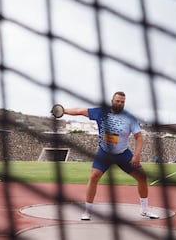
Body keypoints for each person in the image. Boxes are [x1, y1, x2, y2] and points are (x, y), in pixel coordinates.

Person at [60, 91, 159, 220]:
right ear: (112, 101)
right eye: (117, 101)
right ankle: (87, 211)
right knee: (94, 176)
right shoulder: (101, 112)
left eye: (122, 102)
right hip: (104, 153)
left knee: (142, 177)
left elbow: (139, 137)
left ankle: (144, 210)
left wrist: (137, 154)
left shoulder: (129, 117)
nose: (120, 103)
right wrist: (63, 111)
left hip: (122, 153)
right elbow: (80, 111)